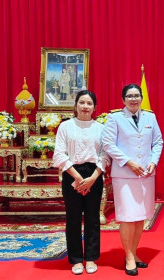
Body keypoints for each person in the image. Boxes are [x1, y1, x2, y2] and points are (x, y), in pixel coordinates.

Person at [101, 84, 163, 276]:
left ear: (142, 98)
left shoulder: (150, 117)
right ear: (123, 99)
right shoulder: (115, 118)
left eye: (137, 95)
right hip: (125, 175)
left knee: (140, 217)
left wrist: (153, 161)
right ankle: (128, 256)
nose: (133, 99)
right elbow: (108, 144)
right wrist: (128, 162)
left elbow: (158, 141)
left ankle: (134, 252)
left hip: (145, 173)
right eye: (130, 96)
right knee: (127, 217)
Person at [53, 90, 110, 275]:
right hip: (72, 173)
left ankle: (91, 257)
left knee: (93, 218)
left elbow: (105, 155)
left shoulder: (101, 128)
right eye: (82, 102)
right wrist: (77, 177)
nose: (86, 106)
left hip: (94, 174)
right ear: (76, 105)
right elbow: (59, 154)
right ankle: (76, 259)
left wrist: (93, 177)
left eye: (89, 103)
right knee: (73, 218)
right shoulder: (65, 127)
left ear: (94, 107)